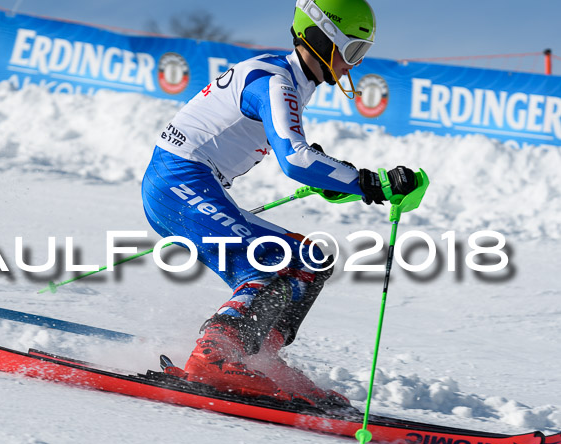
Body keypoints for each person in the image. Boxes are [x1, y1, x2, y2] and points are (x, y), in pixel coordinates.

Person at [141, 0, 416, 406]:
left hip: (187, 185)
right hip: (179, 182)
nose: (353, 65)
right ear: (323, 37)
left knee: (310, 259)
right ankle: (215, 355)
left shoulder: (284, 77)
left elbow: (298, 153)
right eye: (353, 50)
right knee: (271, 259)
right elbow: (296, 159)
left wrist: (334, 177)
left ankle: (258, 357)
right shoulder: (276, 81)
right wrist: (370, 183)